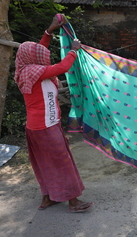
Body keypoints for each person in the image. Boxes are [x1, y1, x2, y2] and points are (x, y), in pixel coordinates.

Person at [14, 15, 93, 213]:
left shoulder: (28, 69)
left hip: (40, 126)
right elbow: (62, 67)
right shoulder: (34, 72)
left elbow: (39, 50)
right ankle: (73, 202)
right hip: (45, 126)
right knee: (61, 161)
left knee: (45, 163)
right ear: (32, 58)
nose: (43, 54)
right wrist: (73, 51)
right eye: (38, 53)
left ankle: (48, 198)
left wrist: (49, 31)